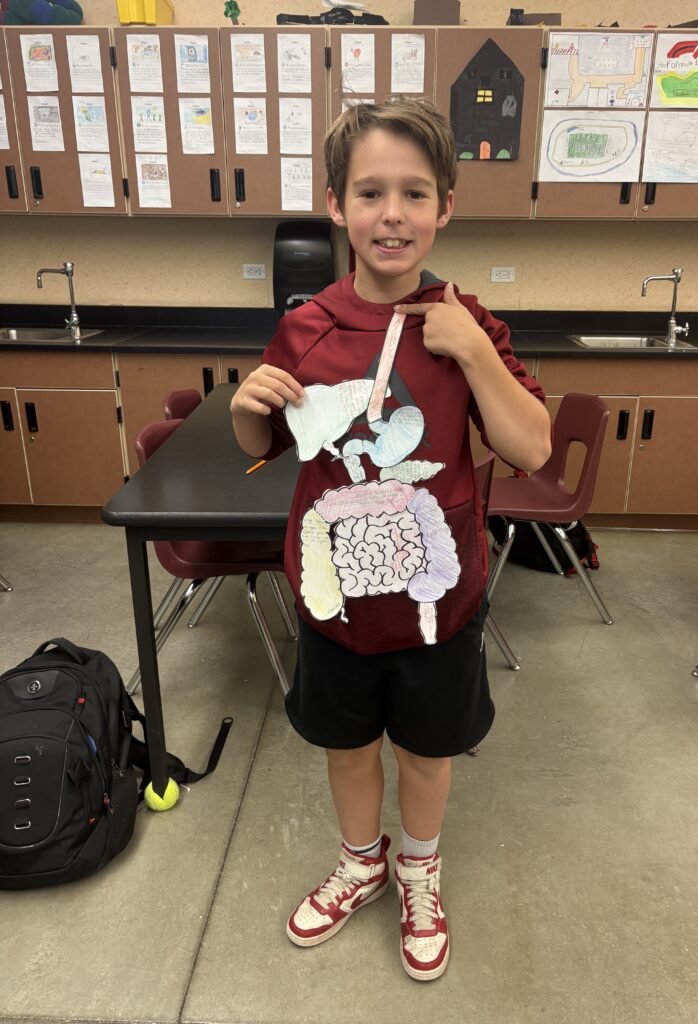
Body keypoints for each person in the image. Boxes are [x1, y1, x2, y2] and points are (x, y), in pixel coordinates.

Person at [230, 98, 551, 982]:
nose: (393, 214)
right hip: (335, 597)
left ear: (446, 206)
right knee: (346, 745)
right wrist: (241, 410)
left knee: (426, 749)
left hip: (435, 604)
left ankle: (419, 868)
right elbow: (264, 447)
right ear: (337, 205)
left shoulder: (467, 324)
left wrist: (476, 355)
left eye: (415, 193)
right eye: (370, 192)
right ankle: (361, 862)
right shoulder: (308, 327)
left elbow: (529, 447)